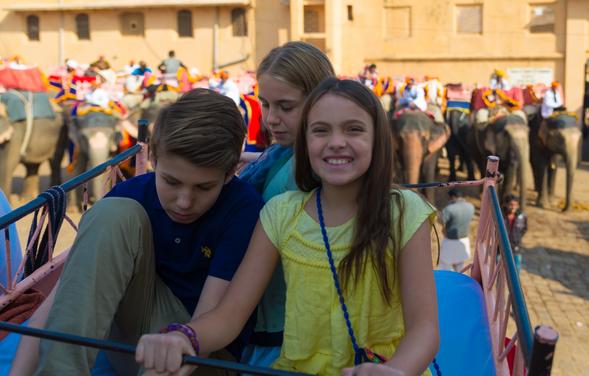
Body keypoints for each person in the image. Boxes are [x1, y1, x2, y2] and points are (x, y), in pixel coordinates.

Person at [135, 79, 440, 376]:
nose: (336, 142)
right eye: (320, 131)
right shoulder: (280, 214)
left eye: (354, 130)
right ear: (304, 143)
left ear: (378, 139)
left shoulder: (403, 211)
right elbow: (230, 315)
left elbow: (424, 328)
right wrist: (183, 336)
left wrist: (395, 370)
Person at [10, 89, 264, 375]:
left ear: (230, 173)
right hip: (134, 341)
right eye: (171, 181)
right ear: (153, 157)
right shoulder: (129, 195)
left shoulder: (243, 209)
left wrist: (182, 340)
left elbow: (212, 322)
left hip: (201, 350)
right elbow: (64, 299)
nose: (184, 201)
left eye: (204, 187)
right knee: (113, 213)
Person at [237, 41, 335, 369]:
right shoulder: (282, 155)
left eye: (286, 107)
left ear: (320, 103)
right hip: (268, 316)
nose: (271, 119)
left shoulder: (306, 168)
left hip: (282, 332)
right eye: (265, 105)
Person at [437, 188, 474, 272]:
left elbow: (441, 220)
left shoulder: (449, 209)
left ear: (453, 197)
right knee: (460, 266)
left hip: (450, 240)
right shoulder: (470, 207)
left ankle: (448, 284)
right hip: (464, 240)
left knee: (445, 265)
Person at [502, 194, 528, 274]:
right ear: (506, 205)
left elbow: (524, 229)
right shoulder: (501, 216)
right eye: (511, 205)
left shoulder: (522, 216)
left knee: (517, 268)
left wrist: (518, 238)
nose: (513, 207)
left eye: (516, 205)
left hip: (516, 247)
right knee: (500, 271)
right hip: (501, 248)